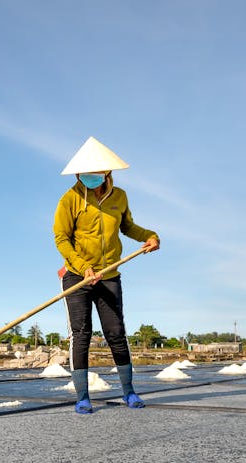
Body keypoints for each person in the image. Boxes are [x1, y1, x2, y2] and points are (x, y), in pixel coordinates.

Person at [53, 136, 160, 414]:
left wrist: (149, 236)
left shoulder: (119, 196)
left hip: (109, 274)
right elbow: (61, 238)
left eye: (93, 174)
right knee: (81, 334)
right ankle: (82, 397)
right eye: (83, 174)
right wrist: (81, 265)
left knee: (116, 332)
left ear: (106, 173)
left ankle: (129, 392)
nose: (87, 178)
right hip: (77, 276)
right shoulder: (70, 199)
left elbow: (128, 227)